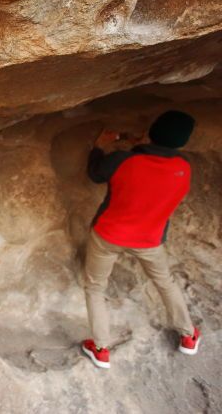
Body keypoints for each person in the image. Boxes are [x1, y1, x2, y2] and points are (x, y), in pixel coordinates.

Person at [81, 111, 201, 369]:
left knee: (95, 287)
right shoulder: (183, 168)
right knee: (165, 283)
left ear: (152, 131)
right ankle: (188, 336)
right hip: (149, 239)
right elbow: (153, 177)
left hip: (108, 235)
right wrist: (143, 145)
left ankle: (101, 349)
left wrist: (100, 146)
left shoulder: (122, 160)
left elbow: (96, 173)